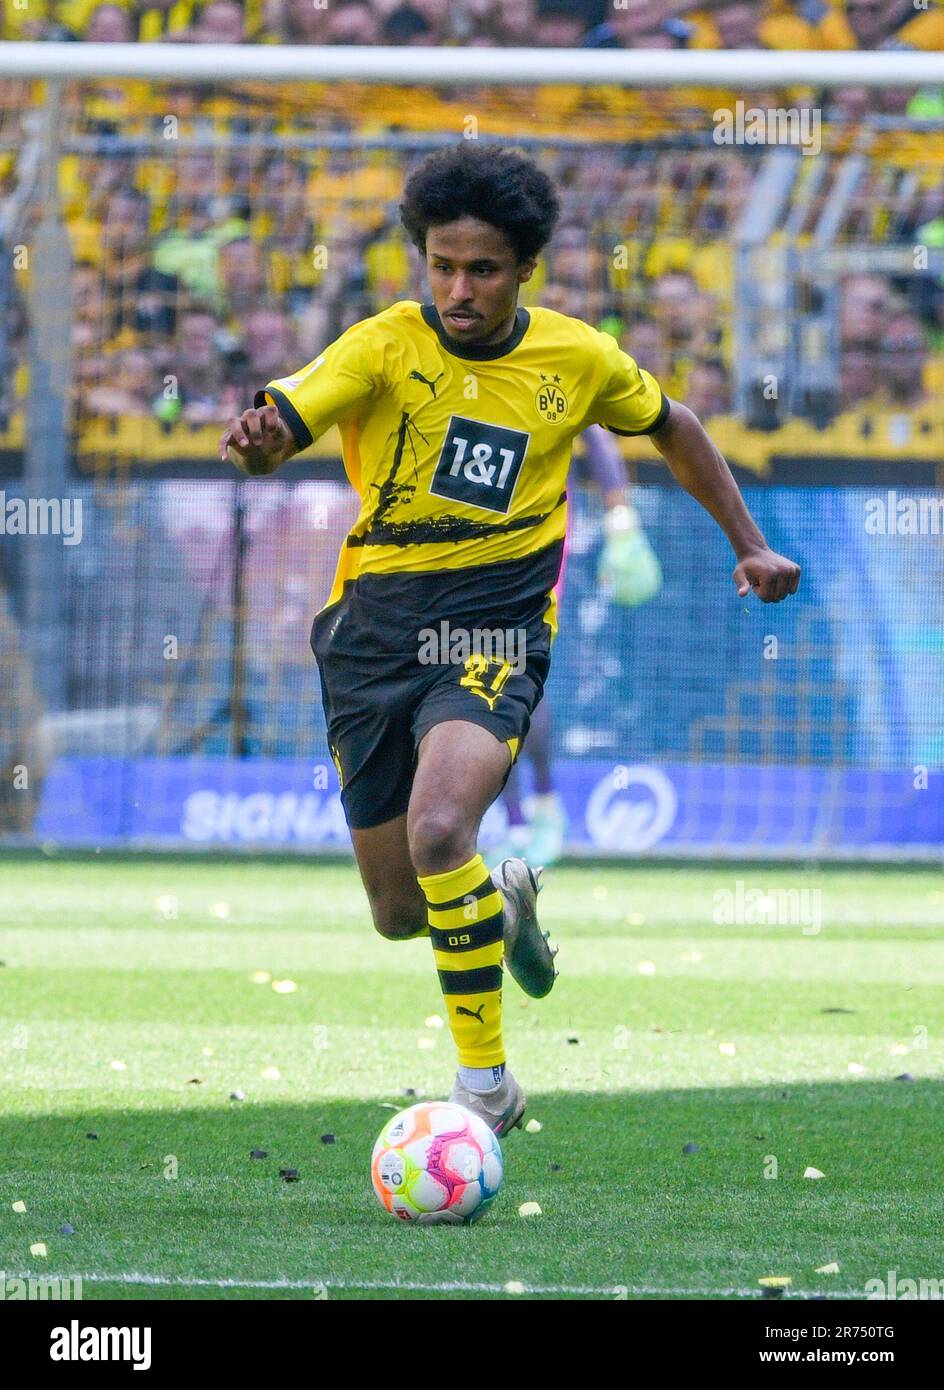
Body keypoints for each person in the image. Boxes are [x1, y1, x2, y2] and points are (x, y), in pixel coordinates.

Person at [220, 144, 800, 1136]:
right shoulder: (382, 343)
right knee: (399, 911)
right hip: (368, 634)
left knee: (440, 825)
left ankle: (484, 1084)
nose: (458, 288)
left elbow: (673, 422)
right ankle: (503, 905)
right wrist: (263, 438)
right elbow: (289, 409)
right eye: (441, 265)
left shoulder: (574, 357)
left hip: (493, 630)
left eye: (481, 268)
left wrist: (748, 543)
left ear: (523, 267)